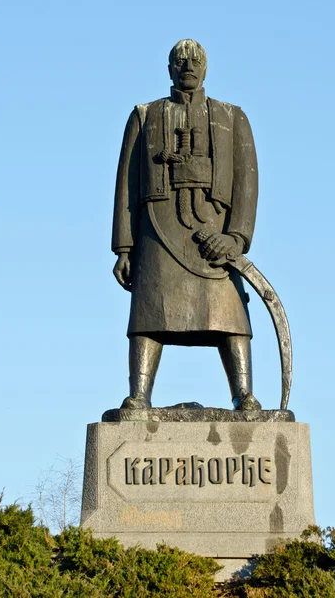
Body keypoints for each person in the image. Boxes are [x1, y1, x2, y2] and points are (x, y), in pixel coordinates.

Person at [112, 39, 261, 411]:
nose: (187, 66)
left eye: (195, 60)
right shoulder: (145, 116)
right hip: (157, 232)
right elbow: (126, 185)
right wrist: (124, 249)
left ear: (206, 68)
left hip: (214, 236)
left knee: (230, 314)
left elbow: (247, 183)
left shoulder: (231, 116)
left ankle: (244, 395)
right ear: (169, 69)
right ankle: (140, 396)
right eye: (180, 61)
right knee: (149, 314)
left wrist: (237, 238)